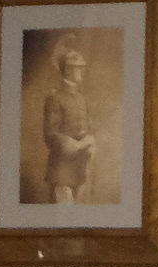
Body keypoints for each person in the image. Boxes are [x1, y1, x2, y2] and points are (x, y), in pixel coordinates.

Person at [37, 41, 98, 205]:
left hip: (83, 167)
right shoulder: (55, 98)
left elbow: (89, 128)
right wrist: (76, 145)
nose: (83, 71)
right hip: (62, 170)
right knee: (64, 216)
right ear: (69, 70)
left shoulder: (82, 98)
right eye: (79, 68)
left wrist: (90, 140)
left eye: (82, 67)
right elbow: (50, 135)